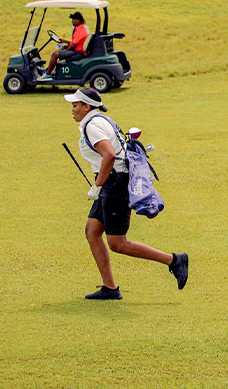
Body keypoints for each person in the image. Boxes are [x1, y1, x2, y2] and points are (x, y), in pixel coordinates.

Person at [65, 87, 188, 300]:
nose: (72, 109)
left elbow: (109, 155)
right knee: (92, 231)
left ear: (86, 107)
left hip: (115, 185)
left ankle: (174, 260)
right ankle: (110, 288)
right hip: (111, 183)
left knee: (117, 243)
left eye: (75, 105)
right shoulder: (99, 120)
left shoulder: (93, 125)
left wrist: (97, 185)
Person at [42, 11, 89, 78]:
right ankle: (49, 69)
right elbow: (74, 42)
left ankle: (48, 73)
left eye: (74, 19)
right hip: (77, 50)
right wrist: (64, 41)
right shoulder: (80, 28)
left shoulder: (80, 30)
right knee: (60, 50)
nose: (72, 21)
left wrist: (66, 50)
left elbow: (74, 45)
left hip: (78, 53)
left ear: (78, 20)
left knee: (55, 54)